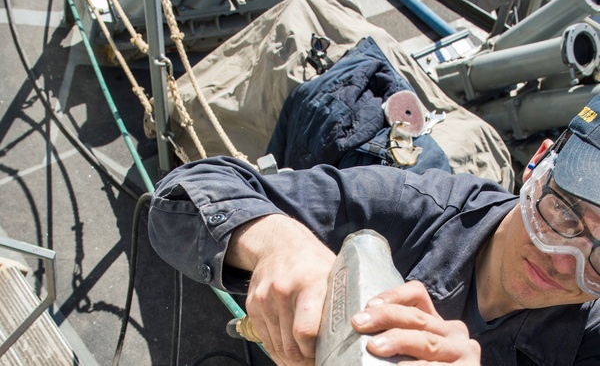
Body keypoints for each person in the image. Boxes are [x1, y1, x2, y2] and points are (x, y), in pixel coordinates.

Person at [147, 94, 600, 365]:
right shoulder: (411, 204)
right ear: (537, 164)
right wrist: (278, 243)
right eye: (563, 211)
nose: (563, 261)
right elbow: (184, 196)